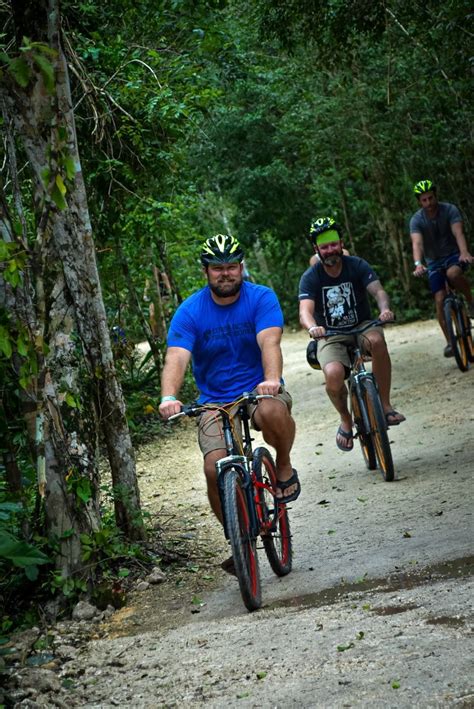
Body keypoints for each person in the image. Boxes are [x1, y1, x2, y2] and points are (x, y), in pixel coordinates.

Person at [159, 234, 299, 569]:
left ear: (241, 267)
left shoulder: (261, 298)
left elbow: (270, 342)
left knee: (271, 409)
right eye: (218, 268)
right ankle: (238, 539)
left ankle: (282, 464)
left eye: (232, 266)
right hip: (213, 401)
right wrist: (169, 396)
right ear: (206, 271)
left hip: (256, 390)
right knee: (213, 468)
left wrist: (271, 380)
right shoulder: (190, 311)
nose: (226, 274)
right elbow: (176, 358)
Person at [299, 217, 405, 452]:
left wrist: (385, 309)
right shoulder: (311, 276)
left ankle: (385, 406)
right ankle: (346, 419)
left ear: (341, 243)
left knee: (377, 341)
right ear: (317, 249)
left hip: (362, 325)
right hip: (330, 334)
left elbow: (378, 291)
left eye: (333, 245)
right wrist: (312, 327)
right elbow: (305, 311)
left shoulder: (356, 264)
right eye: (324, 247)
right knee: (334, 373)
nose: (330, 250)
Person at [409, 179, 474, 357]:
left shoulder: (450, 210)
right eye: (424, 200)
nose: (428, 203)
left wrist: (464, 252)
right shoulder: (416, 219)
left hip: (454, 255)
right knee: (439, 299)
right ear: (419, 202)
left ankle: (470, 301)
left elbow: (458, 232)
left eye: (431, 198)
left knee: (453, 274)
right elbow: (417, 243)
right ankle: (450, 342)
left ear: (436, 196)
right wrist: (418, 264)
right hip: (434, 262)